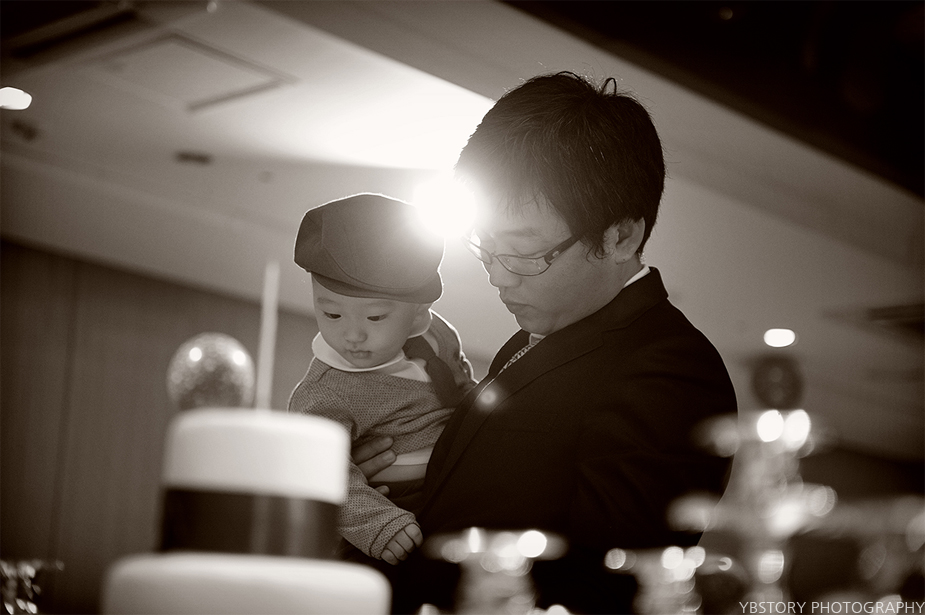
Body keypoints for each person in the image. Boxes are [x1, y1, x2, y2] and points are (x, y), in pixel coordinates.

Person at [354, 72, 738, 613]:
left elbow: (606, 582)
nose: (497, 274)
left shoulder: (670, 368)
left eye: (523, 251)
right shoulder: (533, 341)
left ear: (621, 236)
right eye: (483, 243)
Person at [287, 193, 476, 566]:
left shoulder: (437, 335)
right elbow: (317, 470)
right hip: (392, 507)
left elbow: (461, 382)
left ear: (419, 313)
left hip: (460, 475)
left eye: (374, 318)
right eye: (331, 314)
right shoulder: (323, 392)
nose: (352, 335)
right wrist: (377, 524)